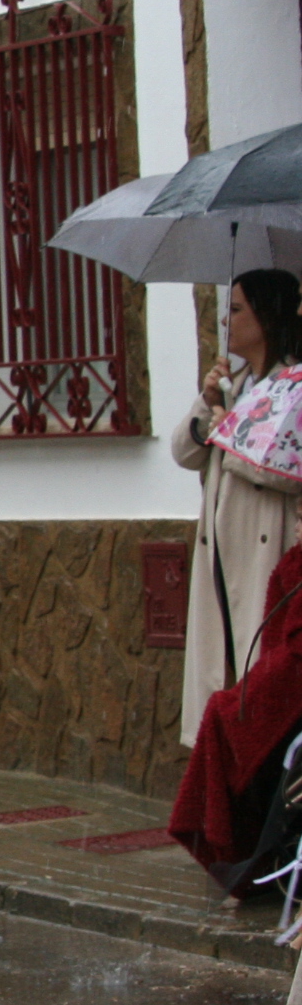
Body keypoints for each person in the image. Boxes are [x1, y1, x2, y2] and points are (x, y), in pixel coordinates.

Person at [173, 268, 302, 744]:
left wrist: (232, 435)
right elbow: (185, 454)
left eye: (238, 309)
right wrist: (207, 403)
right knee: (222, 675)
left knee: (259, 680)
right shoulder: (237, 383)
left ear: (267, 316)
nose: (227, 321)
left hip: (263, 551)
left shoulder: (293, 383)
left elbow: (284, 470)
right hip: (220, 559)